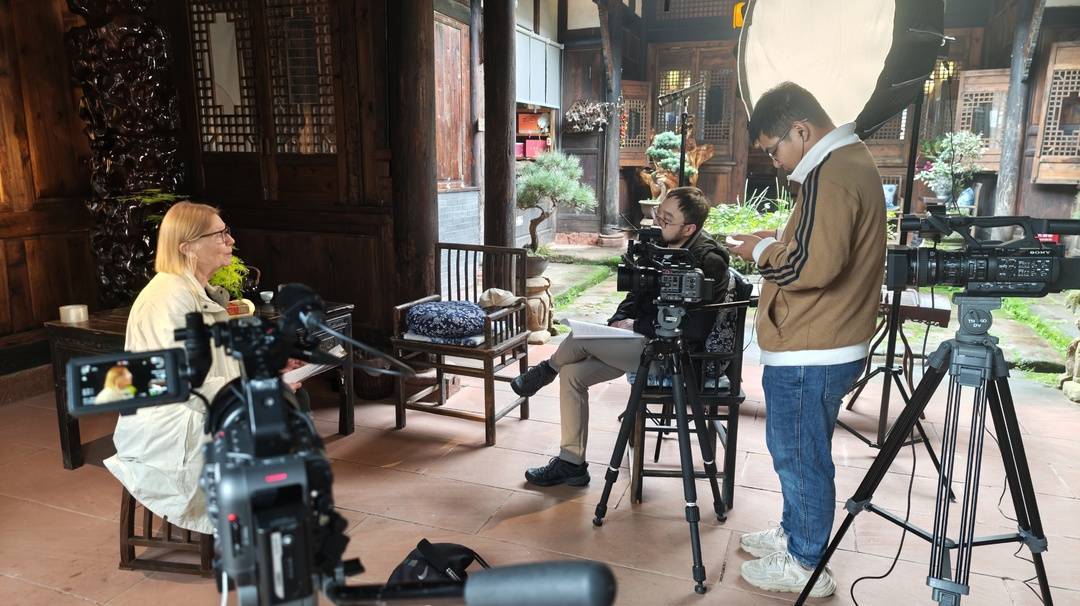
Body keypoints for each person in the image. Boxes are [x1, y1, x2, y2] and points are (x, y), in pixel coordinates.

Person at [725, 82, 886, 598]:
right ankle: (795, 533)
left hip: (815, 346)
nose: (775, 162)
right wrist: (775, 240)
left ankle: (806, 561)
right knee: (796, 448)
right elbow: (819, 246)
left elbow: (811, 267)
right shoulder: (844, 163)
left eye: (774, 149)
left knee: (800, 455)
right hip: (820, 339)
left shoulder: (831, 172)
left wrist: (760, 250)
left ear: (801, 130)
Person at [103, 202, 305, 534]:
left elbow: (218, 363)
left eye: (227, 232)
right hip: (171, 422)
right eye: (220, 234)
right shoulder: (169, 298)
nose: (230, 240)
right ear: (188, 247)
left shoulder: (192, 289)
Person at [512, 187, 731, 487]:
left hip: (677, 356)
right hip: (645, 345)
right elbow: (636, 293)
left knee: (580, 338)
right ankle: (572, 464)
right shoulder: (661, 244)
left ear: (689, 228)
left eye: (667, 219)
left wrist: (637, 325)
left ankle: (546, 370)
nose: (658, 222)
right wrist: (618, 321)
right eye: (659, 214)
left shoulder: (709, 261)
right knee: (573, 375)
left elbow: (694, 328)